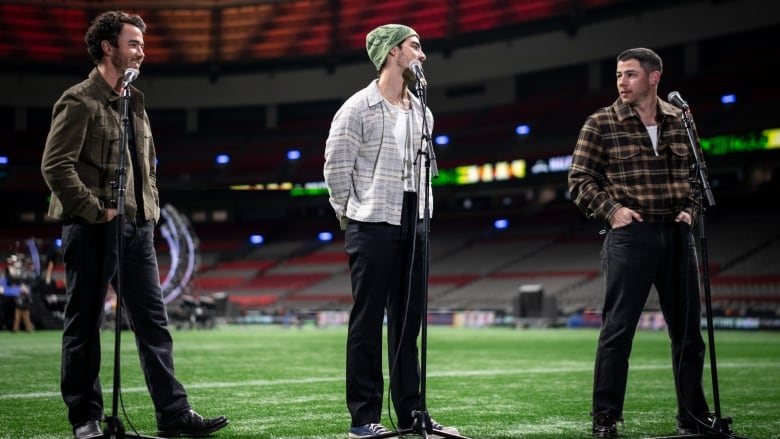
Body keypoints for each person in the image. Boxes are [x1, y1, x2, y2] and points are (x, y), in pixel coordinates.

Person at [40, 11, 228, 439]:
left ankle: (173, 413)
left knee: (153, 323)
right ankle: (85, 418)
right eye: (134, 43)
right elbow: (55, 166)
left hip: (137, 229)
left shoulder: (134, 101)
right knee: (84, 325)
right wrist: (94, 209)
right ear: (108, 47)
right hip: (92, 228)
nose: (143, 50)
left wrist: (151, 210)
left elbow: (149, 168)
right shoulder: (79, 100)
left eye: (142, 44)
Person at [568, 47, 712, 437]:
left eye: (630, 74)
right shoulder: (601, 122)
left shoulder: (681, 120)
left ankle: (693, 416)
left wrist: (692, 211)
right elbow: (579, 180)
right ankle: (606, 418)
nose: (621, 82)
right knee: (617, 332)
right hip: (630, 237)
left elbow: (698, 177)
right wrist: (612, 211)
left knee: (688, 335)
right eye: (618, 75)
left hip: (678, 235)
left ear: (654, 78)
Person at [324, 24, 459, 439]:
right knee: (367, 322)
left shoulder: (422, 110)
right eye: (415, 46)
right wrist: (353, 216)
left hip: (415, 221)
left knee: (408, 322)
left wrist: (423, 217)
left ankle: (411, 413)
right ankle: (363, 418)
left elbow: (425, 170)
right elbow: (335, 170)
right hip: (371, 222)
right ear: (391, 52)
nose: (422, 54)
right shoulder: (357, 108)